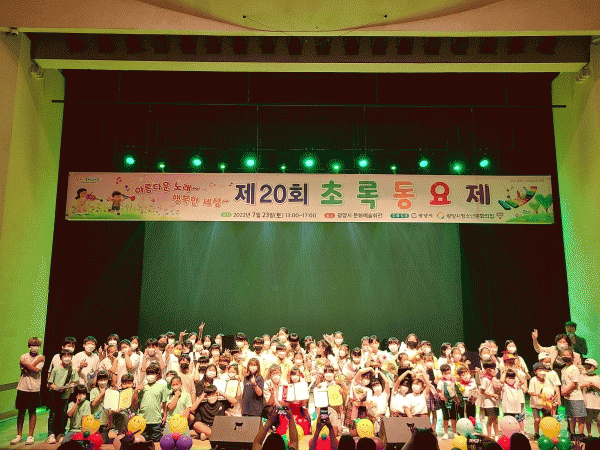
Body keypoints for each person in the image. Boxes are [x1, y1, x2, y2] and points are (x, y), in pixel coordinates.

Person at [11, 337, 45, 445]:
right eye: (33, 345)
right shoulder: (24, 356)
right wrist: (35, 362)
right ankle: (19, 435)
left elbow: (36, 370)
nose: (35, 347)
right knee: (21, 412)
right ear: (29, 346)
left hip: (34, 388)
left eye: (37, 345)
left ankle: (30, 436)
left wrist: (26, 364)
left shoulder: (41, 357)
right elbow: (25, 370)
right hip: (22, 387)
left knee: (32, 412)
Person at [48, 349, 79, 444]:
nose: (67, 358)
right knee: (53, 415)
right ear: (61, 358)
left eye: (69, 356)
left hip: (65, 396)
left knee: (63, 415)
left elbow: (75, 381)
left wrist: (70, 385)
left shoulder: (72, 370)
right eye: (65, 356)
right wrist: (56, 388)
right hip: (55, 396)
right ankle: (51, 434)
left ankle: (61, 433)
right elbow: (50, 383)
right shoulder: (56, 369)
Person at [132, 364, 168, 443]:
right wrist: (136, 390)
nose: (150, 376)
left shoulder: (162, 386)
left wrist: (165, 415)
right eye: (148, 373)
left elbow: (164, 402)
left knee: (156, 442)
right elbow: (134, 404)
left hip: (156, 420)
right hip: (143, 421)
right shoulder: (143, 386)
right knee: (143, 442)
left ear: (157, 375)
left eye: (152, 373)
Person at [560, 348, 587, 438]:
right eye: (564, 355)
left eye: (568, 355)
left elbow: (574, 383)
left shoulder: (574, 368)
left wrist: (565, 391)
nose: (565, 357)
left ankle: (580, 435)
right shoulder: (563, 369)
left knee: (579, 417)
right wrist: (563, 391)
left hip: (576, 397)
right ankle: (572, 434)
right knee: (571, 417)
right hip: (567, 397)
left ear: (572, 357)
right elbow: (564, 382)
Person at [528, 363, 555, 439]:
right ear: (535, 372)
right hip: (535, 404)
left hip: (545, 404)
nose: (542, 371)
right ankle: (536, 434)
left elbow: (551, 390)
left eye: (543, 369)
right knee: (537, 420)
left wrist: (552, 397)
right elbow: (530, 392)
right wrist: (538, 395)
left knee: (547, 419)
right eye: (540, 370)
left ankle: (547, 434)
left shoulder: (547, 380)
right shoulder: (533, 380)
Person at [579, 358, 600, 438]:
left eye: (590, 366)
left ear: (595, 367)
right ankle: (589, 434)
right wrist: (585, 385)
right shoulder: (582, 376)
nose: (588, 367)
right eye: (586, 365)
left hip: (597, 403)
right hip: (586, 402)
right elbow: (578, 387)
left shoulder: (597, 377)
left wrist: (594, 386)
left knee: (599, 420)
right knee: (588, 420)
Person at [479, 360, 500, 438]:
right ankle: (489, 436)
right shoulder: (485, 379)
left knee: (496, 420)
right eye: (491, 369)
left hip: (495, 402)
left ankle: (496, 435)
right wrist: (492, 395)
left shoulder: (494, 379)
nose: (493, 370)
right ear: (486, 369)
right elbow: (482, 391)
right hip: (488, 402)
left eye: (494, 368)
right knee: (490, 419)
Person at [89, 370, 110, 443]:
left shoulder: (110, 391)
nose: (103, 382)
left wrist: (109, 419)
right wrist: (101, 394)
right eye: (101, 380)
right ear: (97, 381)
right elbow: (93, 404)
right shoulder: (94, 390)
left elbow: (111, 407)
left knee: (104, 442)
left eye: (104, 380)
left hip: (104, 422)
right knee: (94, 441)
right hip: (95, 421)